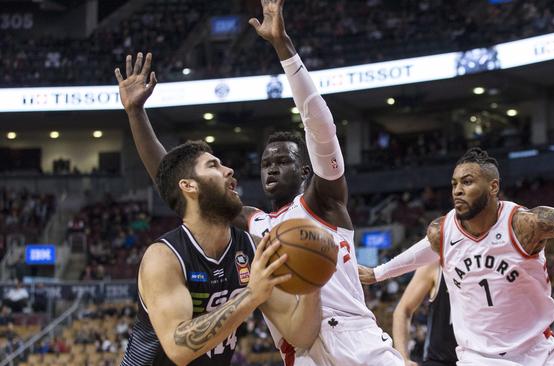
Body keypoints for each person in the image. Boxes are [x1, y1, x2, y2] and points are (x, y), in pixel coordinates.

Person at [117, 1, 402, 364]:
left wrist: (284, 49)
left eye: (283, 160)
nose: (270, 167)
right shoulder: (254, 230)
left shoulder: (323, 202)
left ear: (305, 171)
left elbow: (321, 130)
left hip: (357, 343)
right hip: (304, 353)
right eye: (266, 162)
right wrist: (136, 115)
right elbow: (175, 179)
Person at [115, 55, 321, 366]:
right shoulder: (164, 257)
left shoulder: (249, 248)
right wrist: (251, 295)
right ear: (190, 187)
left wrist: (313, 280)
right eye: (214, 165)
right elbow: (179, 347)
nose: (229, 171)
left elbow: (300, 335)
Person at [359, 147, 554, 366]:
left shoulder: (525, 224)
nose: (457, 190)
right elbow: (422, 250)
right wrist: (377, 273)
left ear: (493, 187)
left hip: (534, 355)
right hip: (476, 358)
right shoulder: (442, 231)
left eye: (467, 182)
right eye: (454, 183)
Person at [393, 263, 457, 366]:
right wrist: (403, 358)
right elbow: (403, 310)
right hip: (440, 360)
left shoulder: (489, 262)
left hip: (482, 358)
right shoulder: (435, 264)